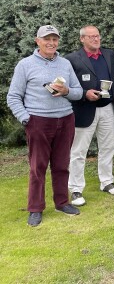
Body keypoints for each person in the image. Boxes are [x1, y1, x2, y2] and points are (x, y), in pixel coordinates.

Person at [7, 25, 83, 226]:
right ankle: (35, 208)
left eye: (54, 39)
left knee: (61, 165)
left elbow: (78, 92)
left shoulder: (65, 63)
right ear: (37, 41)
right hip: (38, 122)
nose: (51, 43)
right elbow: (13, 96)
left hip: (65, 120)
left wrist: (66, 90)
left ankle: (62, 202)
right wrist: (26, 119)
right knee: (37, 167)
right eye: (46, 39)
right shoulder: (25, 65)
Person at [66, 25, 114, 207]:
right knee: (78, 151)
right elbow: (67, 87)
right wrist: (84, 93)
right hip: (84, 109)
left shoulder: (110, 55)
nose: (96, 39)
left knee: (108, 147)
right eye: (91, 37)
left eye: (97, 36)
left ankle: (106, 182)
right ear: (82, 39)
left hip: (107, 107)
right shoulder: (72, 59)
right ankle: (75, 189)